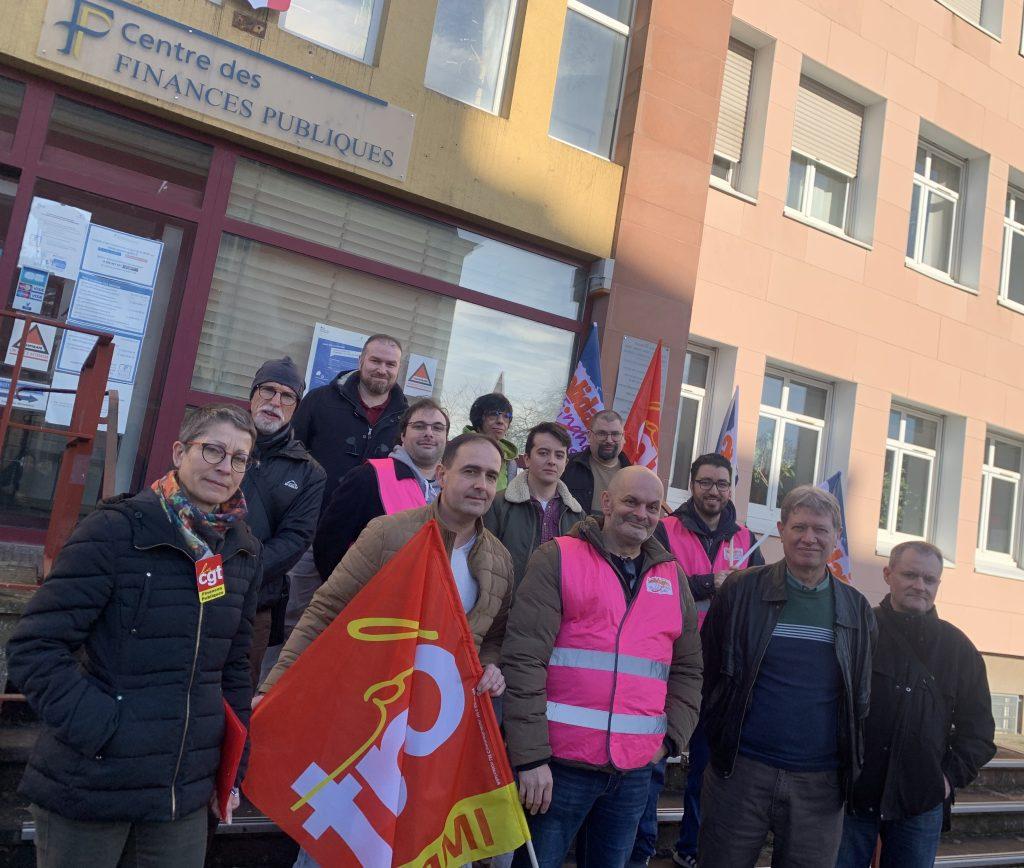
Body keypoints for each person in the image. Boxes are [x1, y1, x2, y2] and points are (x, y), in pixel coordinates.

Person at [6, 405, 261, 868]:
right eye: (213, 450)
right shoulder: (115, 531)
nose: (225, 467)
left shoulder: (241, 549)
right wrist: (102, 728)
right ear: (180, 451)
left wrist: (232, 769)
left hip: (179, 795)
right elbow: (34, 648)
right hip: (92, 782)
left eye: (239, 458)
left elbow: (234, 666)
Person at [257, 432, 514, 868]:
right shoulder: (387, 533)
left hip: (435, 739)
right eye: (470, 471)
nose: (481, 485)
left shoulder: (500, 561)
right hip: (366, 725)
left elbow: (493, 637)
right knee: (333, 849)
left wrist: (491, 666)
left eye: (491, 476)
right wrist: (273, 687)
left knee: (423, 846)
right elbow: (326, 610)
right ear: (441, 473)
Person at [502, 466, 703, 868]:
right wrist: (530, 758)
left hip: (634, 772)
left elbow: (689, 669)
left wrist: (668, 741)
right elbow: (524, 660)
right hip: (558, 769)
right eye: (631, 501)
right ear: (607, 502)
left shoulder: (671, 577)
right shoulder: (558, 556)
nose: (641, 514)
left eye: (651, 507)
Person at [698, 485, 876, 868]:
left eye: (820, 529)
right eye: (798, 527)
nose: (808, 538)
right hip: (741, 773)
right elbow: (706, 668)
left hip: (821, 785)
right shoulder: (741, 590)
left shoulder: (856, 609)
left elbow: (861, 695)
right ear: (781, 529)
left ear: (836, 537)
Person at [631, 452, 764, 868]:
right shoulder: (665, 528)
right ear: (692, 485)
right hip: (668, 660)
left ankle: (692, 849)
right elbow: (649, 579)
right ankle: (640, 846)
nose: (714, 491)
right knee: (653, 759)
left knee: (708, 767)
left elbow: (759, 600)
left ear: (731, 489)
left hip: (723, 666)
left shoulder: (745, 539)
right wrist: (711, 583)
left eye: (722, 484)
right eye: (706, 482)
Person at [837, 541, 996, 868]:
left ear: (938, 583)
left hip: (919, 802)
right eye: (909, 575)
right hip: (852, 796)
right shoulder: (859, 632)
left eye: (929, 579)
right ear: (888, 574)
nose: (919, 586)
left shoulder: (958, 649)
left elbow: (979, 733)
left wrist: (947, 779)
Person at [267, 334, 408, 679]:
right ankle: (270, 699)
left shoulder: (407, 417)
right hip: (309, 536)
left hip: (371, 547)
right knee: (293, 621)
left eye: (390, 364)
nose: (382, 369)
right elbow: (290, 455)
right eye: (376, 360)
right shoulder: (319, 402)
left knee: (351, 629)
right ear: (361, 361)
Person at [242, 358, 325, 688]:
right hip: (186, 590)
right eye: (268, 391)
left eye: (287, 396)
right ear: (253, 394)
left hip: (253, 605)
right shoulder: (215, 443)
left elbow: (294, 541)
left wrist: (230, 572)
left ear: (296, 407)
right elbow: (180, 503)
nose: (275, 402)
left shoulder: (309, 473)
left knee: (230, 699)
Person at [312, 397, 448, 579]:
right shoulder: (367, 477)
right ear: (403, 435)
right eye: (419, 426)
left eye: (437, 428)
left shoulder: (452, 489)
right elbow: (328, 544)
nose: (429, 433)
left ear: (446, 437)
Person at [485, 421, 585, 589]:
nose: (552, 461)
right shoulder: (498, 505)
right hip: (507, 608)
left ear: (566, 463)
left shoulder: (577, 514)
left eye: (559, 455)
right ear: (527, 459)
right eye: (543, 453)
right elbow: (485, 563)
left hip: (557, 610)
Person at [562, 409, 632, 514]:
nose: (609, 440)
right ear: (589, 436)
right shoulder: (566, 466)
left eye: (615, 434)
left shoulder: (634, 475)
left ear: (623, 437)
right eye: (602, 434)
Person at [463, 392, 518, 491]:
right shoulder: (460, 449)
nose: (500, 421)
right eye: (493, 414)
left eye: (506, 416)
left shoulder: (510, 461)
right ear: (479, 417)